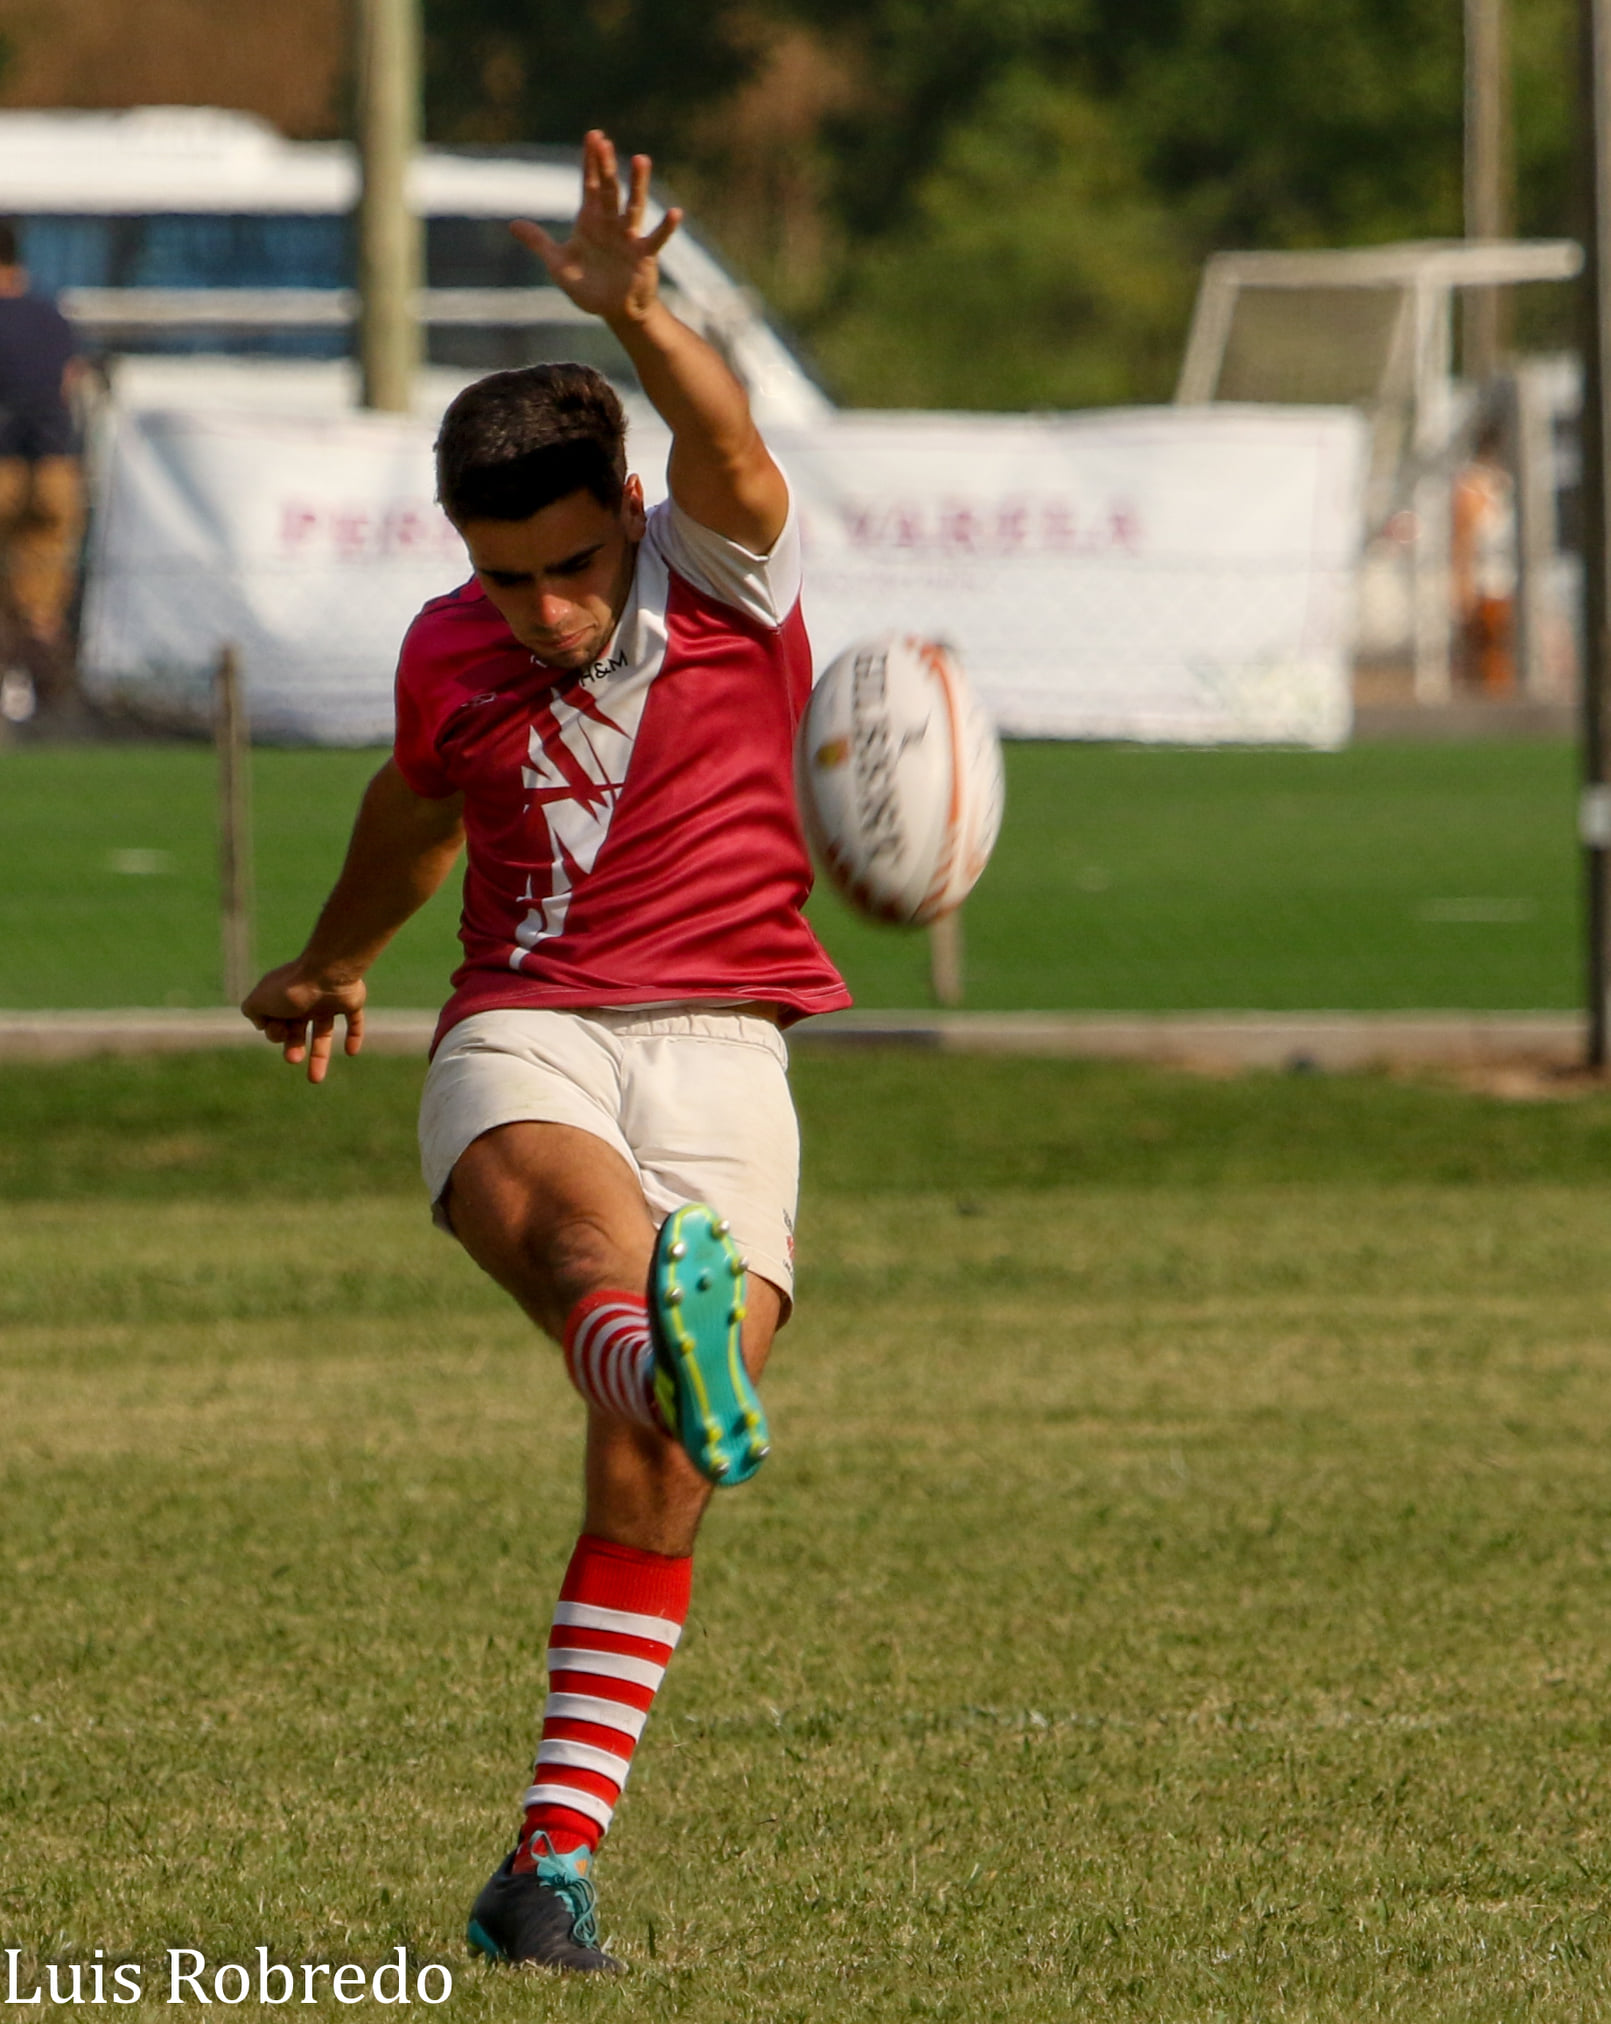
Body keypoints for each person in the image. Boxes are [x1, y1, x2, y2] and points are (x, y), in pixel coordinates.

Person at [241, 129, 850, 1974]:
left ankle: (546, 1860)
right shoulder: (452, 652)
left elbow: (733, 439)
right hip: (525, 1028)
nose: (549, 611)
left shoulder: (721, 572)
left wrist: (643, 308)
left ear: (629, 509)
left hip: (730, 1048)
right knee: (604, 1258)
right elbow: (414, 812)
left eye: (575, 566)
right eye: (510, 580)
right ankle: (641, 1323)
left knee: (661, 1454)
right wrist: (336, 956)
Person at [0, 219, 84, 714]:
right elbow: (69, 383)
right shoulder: (52, 317)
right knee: (43, 600)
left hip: (3, 467)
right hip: (55, 467)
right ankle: (54, 703)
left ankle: (10, 690)